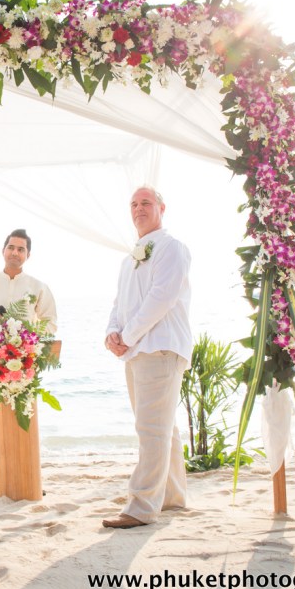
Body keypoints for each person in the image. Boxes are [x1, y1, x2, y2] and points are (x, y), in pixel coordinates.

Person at [102, 187, 192, 529]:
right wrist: (112, 333)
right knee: (162, 427)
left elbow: (161, 298)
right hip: (138, 350)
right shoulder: (130, 258)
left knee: (151, 429)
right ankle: (172, 496)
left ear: (162, 208)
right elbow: (120, 303)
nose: (139, 209)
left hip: (161, 347)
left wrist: (127, 336)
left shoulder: (172, 248)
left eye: (146, 203)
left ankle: (141, 507)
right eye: (134, 204)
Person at [0, 229, 57, 496]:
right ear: (3, 250)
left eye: (21, 249)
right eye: (11, 247)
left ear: (28, 255)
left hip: (25, 360)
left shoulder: (39, 287)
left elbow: (50, 322)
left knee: (25, 418)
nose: (15, 252)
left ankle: (28, 478)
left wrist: (28, 335)